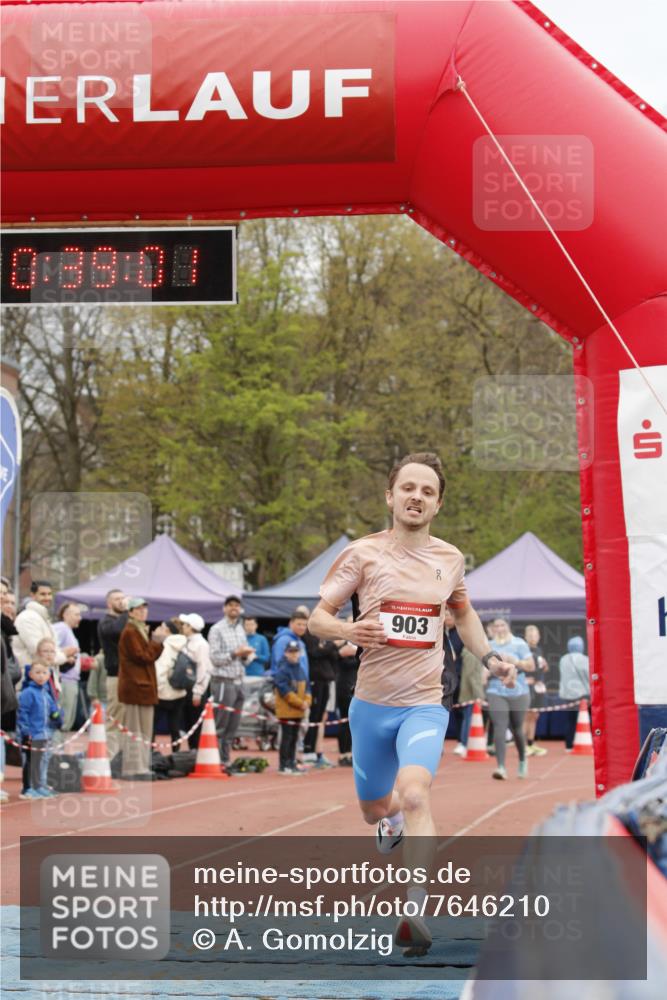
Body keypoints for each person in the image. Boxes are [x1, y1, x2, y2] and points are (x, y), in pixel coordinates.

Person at [308, 452, 515, 953]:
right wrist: (348, 629)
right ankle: (391, 821)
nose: (416, 497)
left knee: (417, 791)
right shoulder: (362, 554)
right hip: (371, 705)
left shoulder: (450, 559)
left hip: (425, 701)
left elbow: (463, 615)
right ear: (390, 496)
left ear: (438, 504)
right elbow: (317, 618)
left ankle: (414, 907)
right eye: (408, 488)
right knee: (375, 807)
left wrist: (489, 658)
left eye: (427, 491)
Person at [117, 598, 168, 780]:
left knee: (143, 730)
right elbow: (143, 657)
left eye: (144, 609)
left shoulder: (138, 630)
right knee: (136, 730)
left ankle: (141, 766)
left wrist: (156, 642)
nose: (142, 612)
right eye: (138, 609)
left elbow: (147, 656)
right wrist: (157, 642)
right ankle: (134, 767)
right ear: (130, 612)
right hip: (136, 687)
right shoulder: (130, 632)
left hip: (142, 687)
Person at [486, 617, 534, 780]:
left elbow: (531, 665)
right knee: (500, 726)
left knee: (517, 729)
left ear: (508, 626)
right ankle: (501, 767)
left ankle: (522, 760)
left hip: (518, 690)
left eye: (502, 625)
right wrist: (485, 673)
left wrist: (516, 661)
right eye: (496, 626)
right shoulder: (489, 646)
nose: (499, 628)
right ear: (492, 629)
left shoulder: (519, 643)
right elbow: (483, 668)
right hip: (495, 690)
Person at [208, 596, 254, 765]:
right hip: (223, 680)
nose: (234, 608)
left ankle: (225, 760)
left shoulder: (240, 629)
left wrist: (246, 655)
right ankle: (215, 760)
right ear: (224, 608)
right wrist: (236, 653)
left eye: (237, 605)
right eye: (230, 605)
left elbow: (244, 658)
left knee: (233, 725)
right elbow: (214, 658)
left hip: (239, 680)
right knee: (221, 723)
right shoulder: (216, 629)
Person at [17, 660, 63, 799]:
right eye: (37, 672)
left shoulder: (46, 693)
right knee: (30, 762)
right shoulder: (28, 693)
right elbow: (22, 713)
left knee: (38, 762)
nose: (41, 676)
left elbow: (53, 709)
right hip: (31, 734)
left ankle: (38, 786)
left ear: (49, 675)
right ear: (30, 674)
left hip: (43, 734)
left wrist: (56, 715)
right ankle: (27, 788)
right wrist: (25, 732)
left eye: (44, 673)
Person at [12, 580, 76, 675]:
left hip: (42, 678)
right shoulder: (28, 618)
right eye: (42, 594)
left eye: (49, 594)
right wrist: (64, 655)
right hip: (30, 680)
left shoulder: (42, 618)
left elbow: (48, 651)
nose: (47, 598)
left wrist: (63, 655)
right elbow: (39, 652)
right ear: (33, 595)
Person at [97, 589, 129, 759]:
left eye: (123, 598)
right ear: (109, 603)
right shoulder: (106, 622)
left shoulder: (126, 621)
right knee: (114, 719)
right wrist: (126, 611)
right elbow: (116, 631)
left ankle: (122, 757)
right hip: (115, 676)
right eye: (117, 599)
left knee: (127, 720)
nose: (121, 601)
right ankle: (109, 758)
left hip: (128, 676)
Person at [274, 640, 312, 775]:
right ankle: (284, 764)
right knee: (287, 738)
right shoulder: (282, 670)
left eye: (296, 651)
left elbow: (307, 688)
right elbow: (285, 691)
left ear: (300, 653)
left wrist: (307, 702)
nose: (294, 654)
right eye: (291, 652)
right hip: (286, 712)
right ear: (286, 653)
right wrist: (300, 703)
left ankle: (291, 762)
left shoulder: (301, 669)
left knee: (295, 738)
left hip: (299, 711)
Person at [178, 612, 213, 748]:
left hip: (196, 691)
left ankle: (196, 756)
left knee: (196, 727)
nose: (182, 627)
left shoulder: (201, 644)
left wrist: (198, 692)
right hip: (187, 690)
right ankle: (192, 755)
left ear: (190, 627)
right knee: (189, 726)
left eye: (184, 624)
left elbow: (204, 669)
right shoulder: (188, 642)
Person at [154, 619, 188, 749]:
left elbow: (161, 669)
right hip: (180, 691)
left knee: (153, 726)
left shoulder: (166, 646)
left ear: (167, 630)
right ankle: (176, 757)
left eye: (161, 627)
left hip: (163, 693)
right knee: (175, 727)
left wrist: (157, 688)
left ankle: (149, 757)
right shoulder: (185, 644)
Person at [53, 602, 83, 732]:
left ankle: (59, 748)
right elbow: (51, 647)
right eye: (76, 614)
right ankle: (56, 749)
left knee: (67, 720)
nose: (80, 618)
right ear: (65, 615)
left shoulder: (68, 631)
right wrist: (66, 657)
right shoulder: (62, 628)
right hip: (64, 680)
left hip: (70, 679)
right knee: (63, 720)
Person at [453, 648, 487, 756]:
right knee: (469, 719)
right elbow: (472, 675)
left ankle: (465, 744)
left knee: (468, 718)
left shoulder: (469, 651)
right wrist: (478, 695)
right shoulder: (472, 652)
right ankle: (464, 744)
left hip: (469, 691)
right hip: (471, 692)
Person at [558, 636, 590, 750]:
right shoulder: (584, 659)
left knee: (570, 720)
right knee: (585, 720)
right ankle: (587, 743)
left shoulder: (563, 659)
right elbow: (589, 676)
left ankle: (569, 745)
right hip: (583, 695)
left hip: (567, 695)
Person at [334, 626, 358, 767]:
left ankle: (350, 752)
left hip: (356, 687)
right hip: (344, 687)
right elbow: (344, 662)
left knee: (353, 723)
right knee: (344, 721)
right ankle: (344, 753)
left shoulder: (358, 646)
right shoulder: (342, 647)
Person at [523, 624, 549, 756]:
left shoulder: (539, 650)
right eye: (530, 636)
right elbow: (518, 666)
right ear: (526, 637)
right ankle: (522, 746)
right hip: (528, 688)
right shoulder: (524, 650)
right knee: (527, 716)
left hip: (538, 687)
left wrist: (544, 667)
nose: (533, 638)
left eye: (535, 635)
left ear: (538, 637)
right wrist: (524, 679)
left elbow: (541, 668)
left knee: (534, 716)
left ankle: (531, 743)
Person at [270, 611, 310, 677]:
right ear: (291, 623)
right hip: (289, 684)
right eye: (299, 624)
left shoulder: (300, 642)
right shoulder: (283, 641)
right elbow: (280, 664)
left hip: (300, 683)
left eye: (304, 625)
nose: (302, 627)